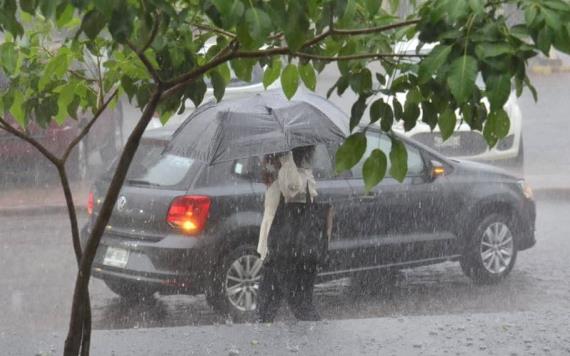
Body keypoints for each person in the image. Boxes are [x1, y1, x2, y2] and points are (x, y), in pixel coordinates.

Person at [257, 146, 321, 322]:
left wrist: (285, 157)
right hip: (279, 250)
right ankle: (262, 343)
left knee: (301, 304)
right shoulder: (285, 171)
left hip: (292, 252)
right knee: (265, 307)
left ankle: (318, 345)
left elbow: (292, 189)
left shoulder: (298, 173)